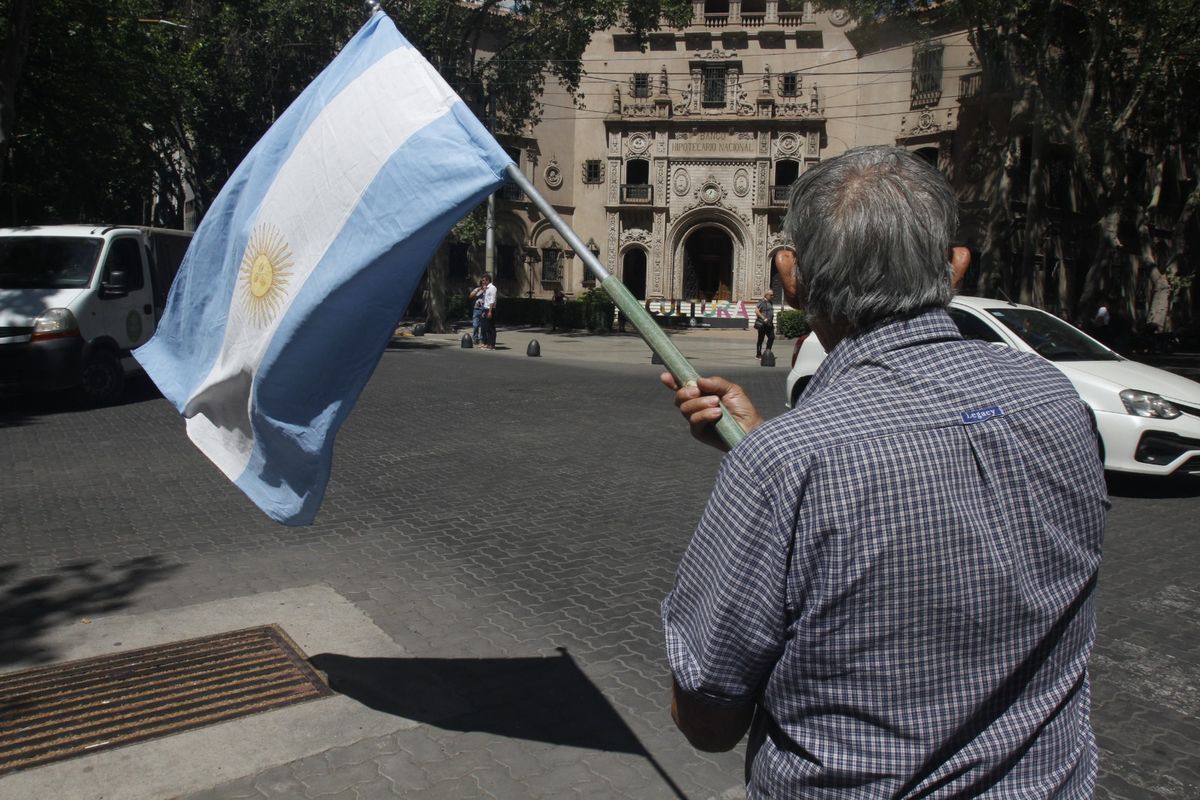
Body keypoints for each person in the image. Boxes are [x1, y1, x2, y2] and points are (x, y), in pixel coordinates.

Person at [659, 146, 1108, 797]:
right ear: (955, 266)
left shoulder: (785, 466)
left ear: (792, 277)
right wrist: (764, 445)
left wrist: (774, 460)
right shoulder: (1057, 398)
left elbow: (706, 715)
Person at [754, 288, 776, 359]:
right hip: (762, 325)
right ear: (766, 295)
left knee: (772, 337)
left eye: (773, 295)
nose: (773, 296)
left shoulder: (770, 302)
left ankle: (767, 352)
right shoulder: (762, 301)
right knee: (761, 339)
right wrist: (763, 318)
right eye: (771, 295)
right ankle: (758, 354)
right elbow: (757, 311)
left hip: (769, 324)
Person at [479, 273, 497, 350]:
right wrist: (484, 311)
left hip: (490, 309)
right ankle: (488, 343)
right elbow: (486, 300)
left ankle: (492, 344)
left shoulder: (492, 288)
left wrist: (490, 311)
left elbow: (492, 301)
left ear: (488, 280)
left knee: (491, 327)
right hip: (486, 309)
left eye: (483, 280)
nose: (482, 281)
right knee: (487, 327)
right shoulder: (486, 288)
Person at [469, 279, 486, 346]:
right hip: (477, 309)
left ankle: (481, 339)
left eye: (484, 283)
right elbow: (470, 296)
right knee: (475, 325)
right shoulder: (477, 289)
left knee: (483, 326)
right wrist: (478, 291)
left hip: (484, 309)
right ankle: (475, 339)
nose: (483, 285)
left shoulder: (488, 290)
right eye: (482, 283)